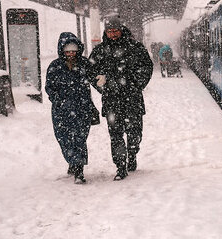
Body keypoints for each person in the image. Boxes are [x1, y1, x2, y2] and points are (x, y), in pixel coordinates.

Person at [90, 15, 153, 180]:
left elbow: (147, 66)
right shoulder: (100, 51)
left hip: (132, 99)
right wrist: (101, 86)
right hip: (111, 101)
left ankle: (132, 154)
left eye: (115, 31)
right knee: (116, 135)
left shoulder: (135, 47)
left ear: (121, 29)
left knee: (134, 133)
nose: (112, 34)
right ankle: (120, 165)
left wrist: (137, 84)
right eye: (109, 31)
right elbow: (91, 71)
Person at [44, 32, 100, 184]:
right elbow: (49, 87)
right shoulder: (55, 67)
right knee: (64, 138)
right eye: (67, 51)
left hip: (82, 108)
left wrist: (105, 87)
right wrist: (58, 100)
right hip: (61, 111)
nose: (70, 54)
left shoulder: (84, 64)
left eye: (73, 50)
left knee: (80, 139)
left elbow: (96, 80)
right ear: (62, 50)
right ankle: (72, 161)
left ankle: (79, 170)